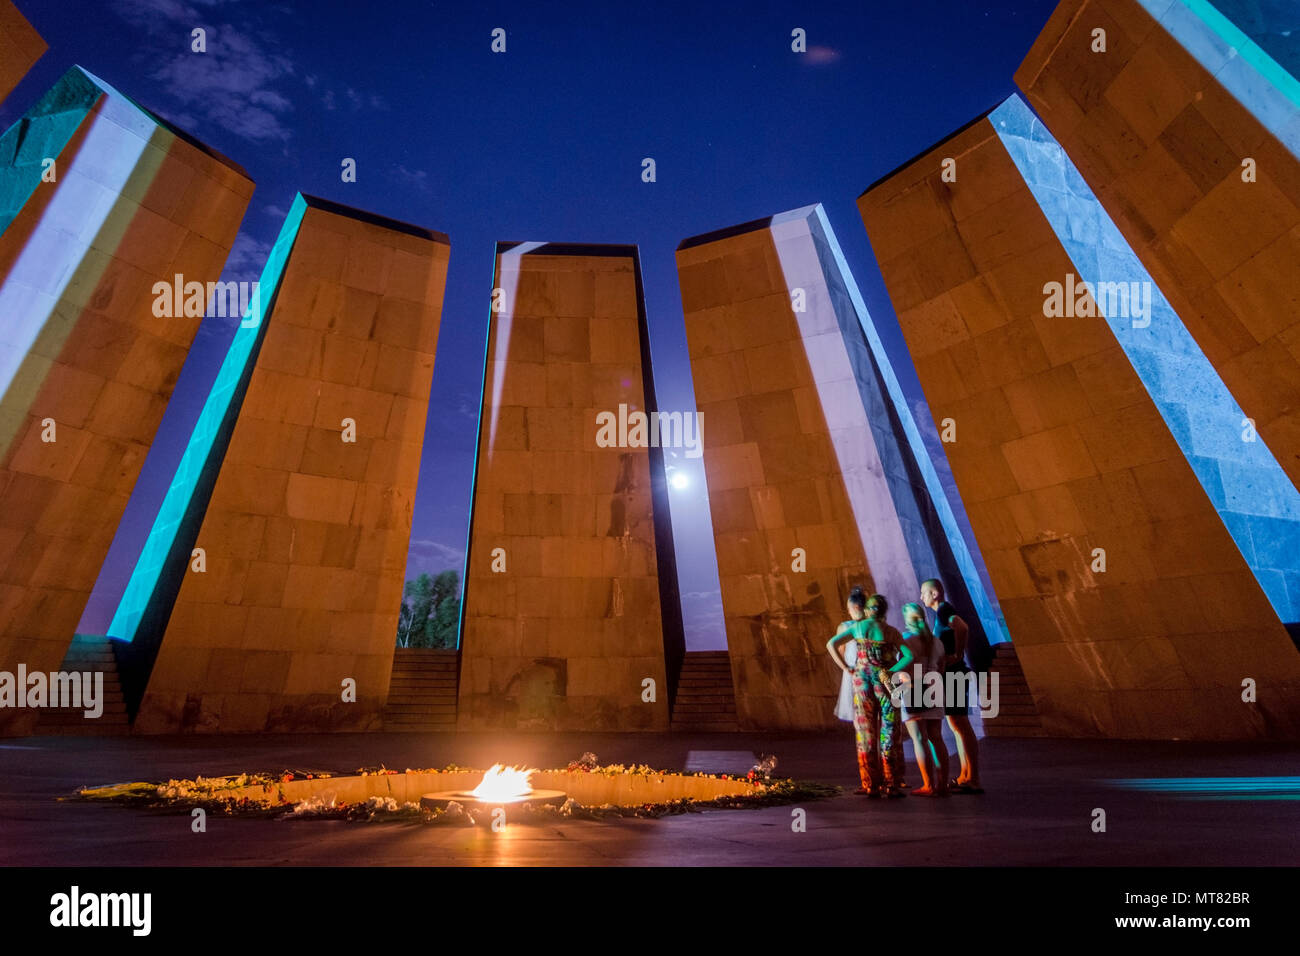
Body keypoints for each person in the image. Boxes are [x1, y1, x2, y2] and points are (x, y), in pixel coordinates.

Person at [827, 588, 906, 797]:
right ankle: (891, 782)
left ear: (868, 610)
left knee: (865, 732)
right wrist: (891, 670)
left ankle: (870, 783)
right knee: (889, 729)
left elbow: (831, 644)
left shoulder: (859, 628)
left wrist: (846, 667)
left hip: (861, 682)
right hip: (886, 681)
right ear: (883, 611)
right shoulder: (891, 632)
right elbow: (909, 655)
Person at [921, 578, 983, 793]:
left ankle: (973, 778)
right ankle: (965, 775)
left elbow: (962, 626)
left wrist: (957, 653)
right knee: (956, 726)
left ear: (935, 594)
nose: (922, 598)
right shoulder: (941, 612)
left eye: (924, 593)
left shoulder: (944, 610)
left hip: (953, 675)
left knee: (961, 725)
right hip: (950, 674)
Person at [888, 603, 949, 796]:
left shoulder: (906, 640)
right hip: (935, 689)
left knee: (919, 739)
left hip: (913, 689)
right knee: (936, 738)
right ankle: (943, 784)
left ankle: (928, 785)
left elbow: (901, 667)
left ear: (907, 620)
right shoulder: (937, 642)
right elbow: (942, 667)